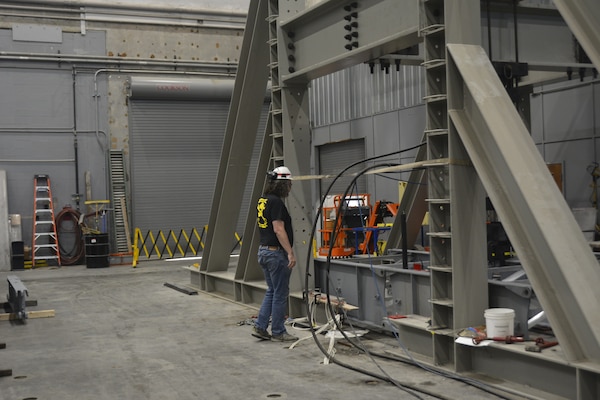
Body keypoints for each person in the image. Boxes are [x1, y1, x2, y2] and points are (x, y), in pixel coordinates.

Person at [252, 166, 298, 342]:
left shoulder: (262, 200)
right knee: (279, 293)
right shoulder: (277, 202)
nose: (290, 187)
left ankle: (261, 327)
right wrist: (290, 253)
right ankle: (278, 331)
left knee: (272, 291)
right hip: (275, 253)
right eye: (289, 184)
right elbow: (279, 229)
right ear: (283, 185)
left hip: (263, 251)